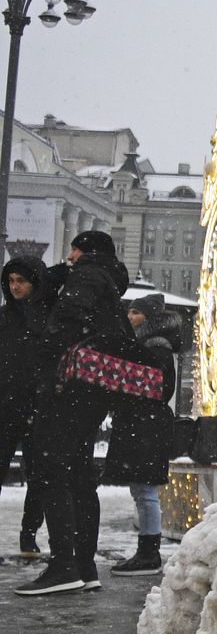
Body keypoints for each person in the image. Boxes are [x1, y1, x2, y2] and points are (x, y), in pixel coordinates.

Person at [16, 232, 134, 597]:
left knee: (51, 469)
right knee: (80, 476)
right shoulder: (109, 282)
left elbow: (65, 320)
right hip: (93, 391)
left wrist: (46, 358)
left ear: (86, 252)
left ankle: (63, 565)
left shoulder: (86, 276)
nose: (69, 256)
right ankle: (84, 566)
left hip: (70, 388)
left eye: (73, 250)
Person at [100, 294, 181, 576]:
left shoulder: (155, 347)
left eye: (135, 312)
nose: (130, 316)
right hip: (142, 424)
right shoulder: (145, 345)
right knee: (141, 490)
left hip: (146, 426)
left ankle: (149, 554)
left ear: (149, 318)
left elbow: (157, 388)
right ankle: (147, 551)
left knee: (145, 491)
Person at [2, 257, 53, 559]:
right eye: (11, 281)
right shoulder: (4, 317)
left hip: (39, 408)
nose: (15, 286)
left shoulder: (48, 317)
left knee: (39, 477)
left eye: (21, 280)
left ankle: (28, 536)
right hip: (5, 406)